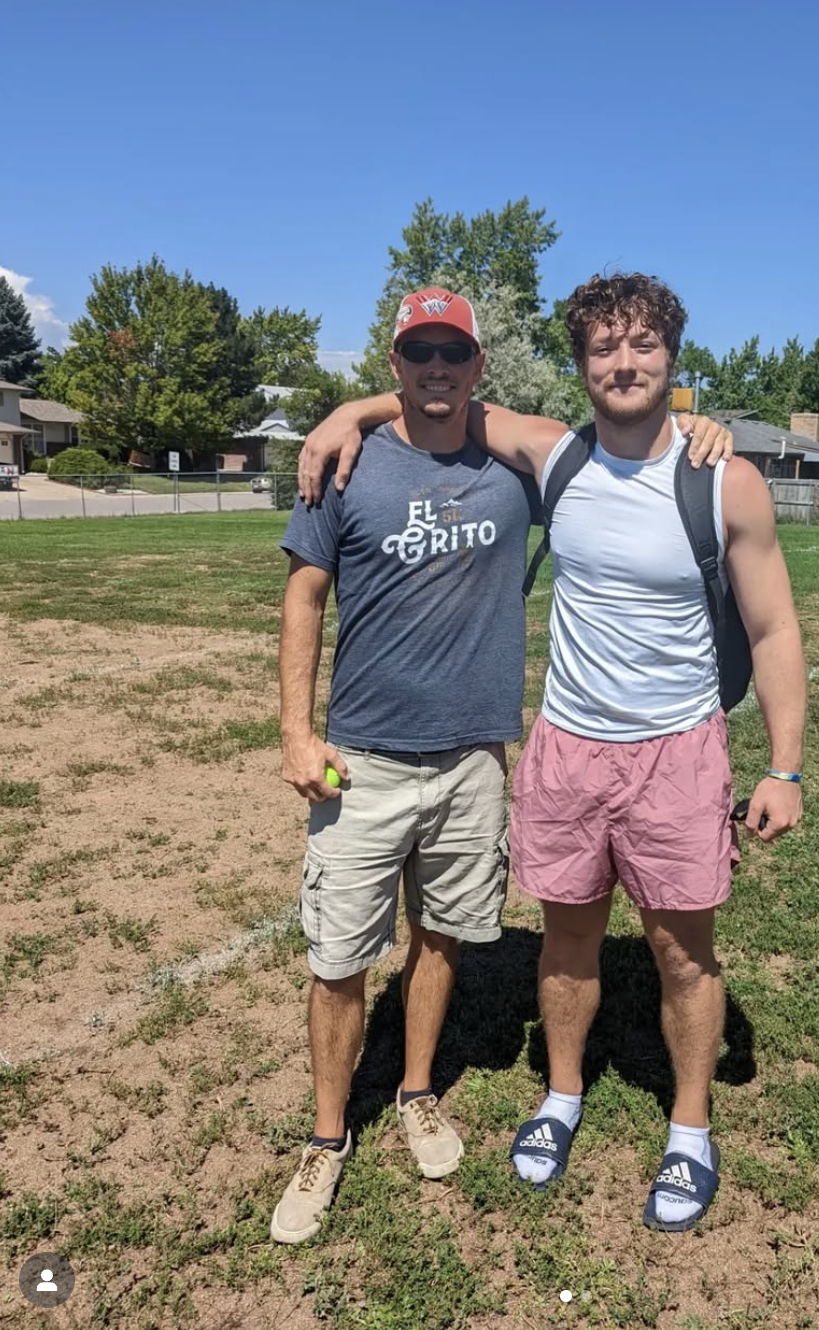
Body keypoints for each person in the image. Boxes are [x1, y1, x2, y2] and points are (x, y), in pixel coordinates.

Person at [272, 285, 731, 1245]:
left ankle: (416, 1092)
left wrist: (704, 423)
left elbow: (626, 429)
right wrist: (294, 733)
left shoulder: (523, 470)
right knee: (339, 958)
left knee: (441, 938)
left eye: (453, 354)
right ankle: (324, 1137)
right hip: (362, 759)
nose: (435, 370)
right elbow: (305, 597)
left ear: (477, 368)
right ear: (393, 363)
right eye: (416, 355)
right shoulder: (344, 469)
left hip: (477, 760)